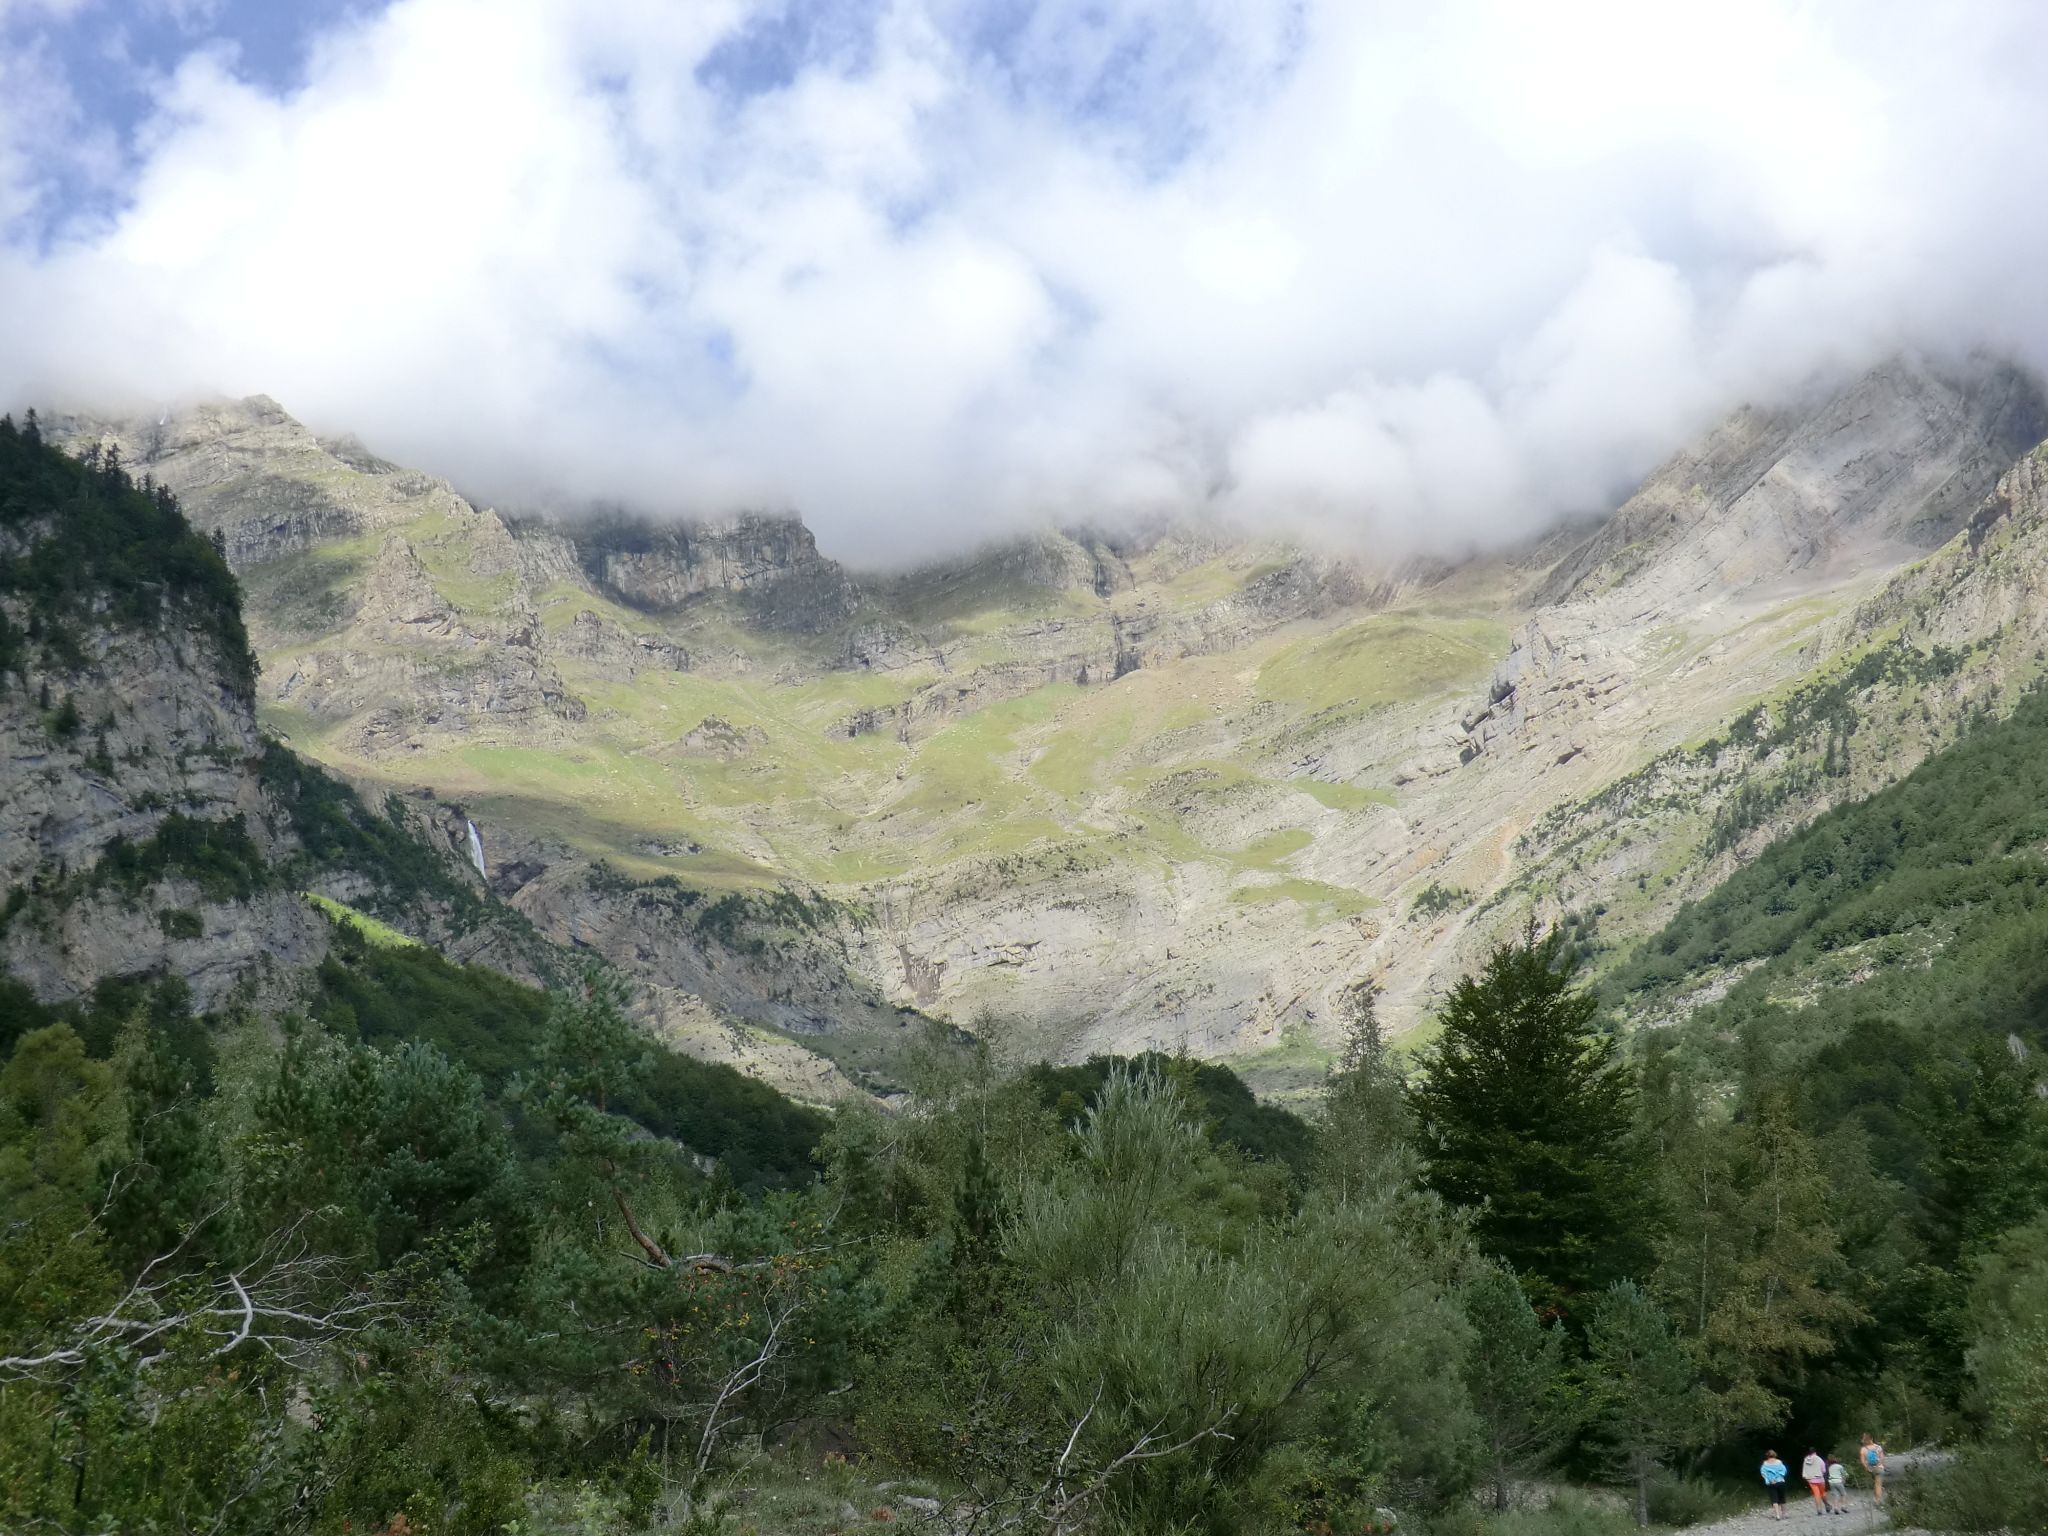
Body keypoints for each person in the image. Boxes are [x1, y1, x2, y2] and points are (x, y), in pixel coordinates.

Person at [1761, 1450, 1789, 1521]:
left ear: (1767, 1455)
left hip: (1771, 1483)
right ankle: (1784, 1514)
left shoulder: (1765, 1464)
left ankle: (1777, 1515)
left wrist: (1769, 1479)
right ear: (1775, 1455)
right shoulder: (1779, 1462)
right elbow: (1784, 1471)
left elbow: (1763, 1473)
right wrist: (1777, 1478)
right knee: (1782, 1498)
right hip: (1780, 1482)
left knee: (1774, 1500)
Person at [1860, 1435, 1885, 1506]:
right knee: (1878, 1485)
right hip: (1879, 1468)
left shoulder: (1863, 1449)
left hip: (1870, 1469)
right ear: (1872, 1439)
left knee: (1875, 1484)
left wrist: (1867, 1467)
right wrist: (1878, 1465)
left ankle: (1875, 1499)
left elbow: (1862, 1461)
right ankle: (1878, 1500)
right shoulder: (1878, 1447)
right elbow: (1882, 1458)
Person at [1802, 1449, 1828, 1515]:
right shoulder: (1819, 1459)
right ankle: (1826, 1504)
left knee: (1816, 1494)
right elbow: (1823, 1470)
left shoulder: (1806, 1460)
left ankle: (1819, 1509)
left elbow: (1804, 1469)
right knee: (1822, 1493)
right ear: (1815, 1452)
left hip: (1810, 1479)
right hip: (1819, 1478)